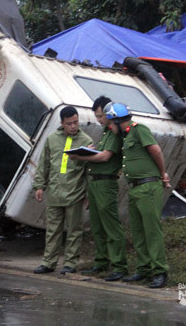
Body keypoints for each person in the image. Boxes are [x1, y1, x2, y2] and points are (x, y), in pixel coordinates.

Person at [104, 103, 171, 288]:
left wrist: (163, 174)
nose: (110, 127)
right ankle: (144, 269)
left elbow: (156, 151)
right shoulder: (125, 136)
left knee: (151, 230)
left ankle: (160, 271)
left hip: (148, 187)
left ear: (118, 121)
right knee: (138, 231)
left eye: (111, 123)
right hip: (135, 189)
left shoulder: (139, 129)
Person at [69, 96, 128, 281]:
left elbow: (105, 157)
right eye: (97, 117)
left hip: (106, 182)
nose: (100, 120)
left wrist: (82, 157)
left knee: (111, 225)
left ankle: (119, 265)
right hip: (95, 183)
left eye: (101, 116)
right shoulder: (105, 132)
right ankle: (101, 261)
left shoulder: (114, 133)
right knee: (97, 225)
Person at [33, 106, 93, 275]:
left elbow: (89, 170)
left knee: (74, 229)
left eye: (75, 122)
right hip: (54, 192)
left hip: (75, 193)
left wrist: (88, 195)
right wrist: (39, 186)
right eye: (69, 123)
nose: (73, 126)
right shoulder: (52, 139)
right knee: (52, 230)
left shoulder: (85, 140)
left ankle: (70, 263)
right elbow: (44, 164)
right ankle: (48, 262)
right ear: (62, 123)